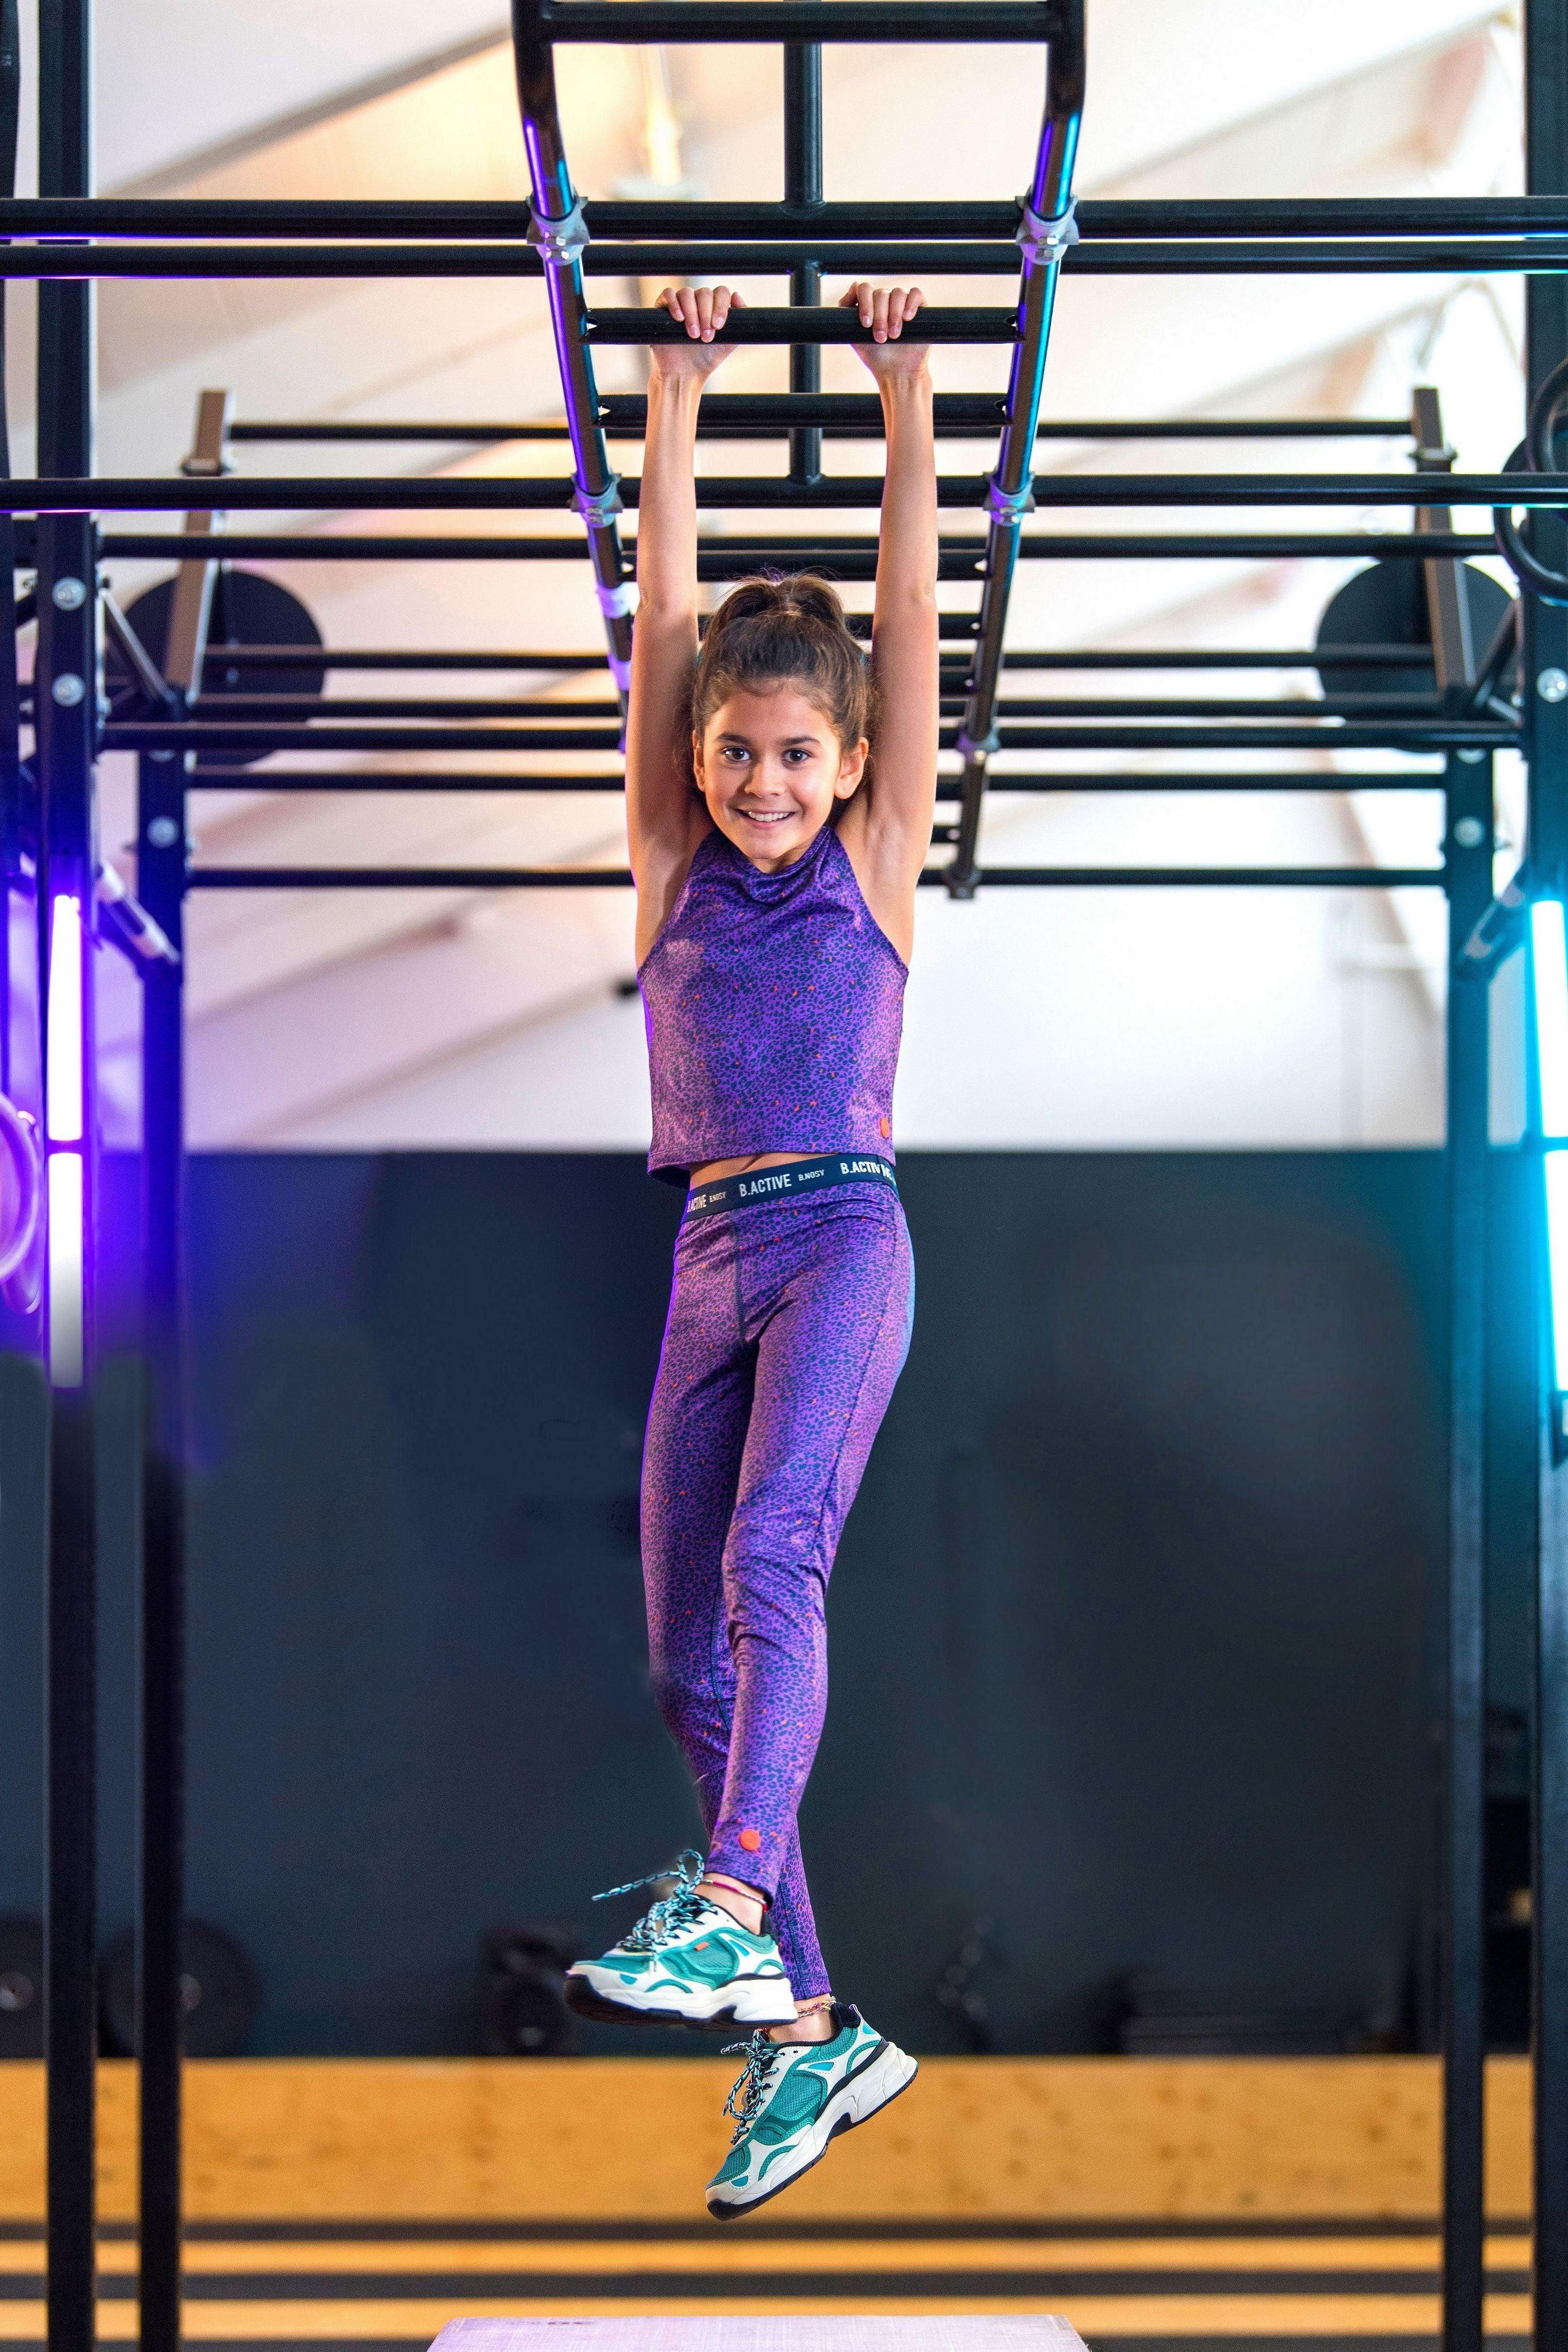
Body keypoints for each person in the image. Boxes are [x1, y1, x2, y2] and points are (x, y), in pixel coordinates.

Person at [565, 279, 938, 2220]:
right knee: (676, 1661)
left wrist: (905, 397)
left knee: (772, 1555)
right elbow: (658, 625)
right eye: (734, 750)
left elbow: (909, 619)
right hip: (705, 1259)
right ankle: (810, 2029)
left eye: (798, 753)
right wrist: (674, 397)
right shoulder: (668, 862)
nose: (762, 780)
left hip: (839, 1235)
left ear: (850, 759)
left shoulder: (873, 861)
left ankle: (726, 1902)